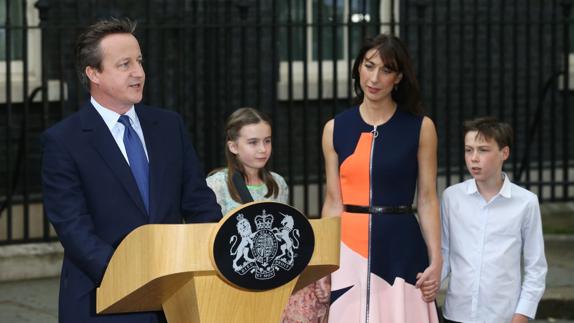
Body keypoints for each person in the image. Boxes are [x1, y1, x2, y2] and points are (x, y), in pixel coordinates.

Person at [41, 18, 221, 322]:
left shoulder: (168, 126)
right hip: (102, 300)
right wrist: (131, 278)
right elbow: (74, 229)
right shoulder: (63, 141)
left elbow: (199, 203)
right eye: (124, 64)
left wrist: (208, 261)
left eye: (139, 61)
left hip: (176, 299)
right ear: (93, 73)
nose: (138, 72)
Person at [321, 34, 441, 322]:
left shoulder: (421, 128)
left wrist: (437, 260)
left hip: (401, 248)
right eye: (369, 65)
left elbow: (426, 198)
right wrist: (323, 264)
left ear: (398, 77)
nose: (374, 78)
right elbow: (333, 201)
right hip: (348, 250)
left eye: (386, 70)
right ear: (358, 68)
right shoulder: (334, 128)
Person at [206, 107, 330, 323]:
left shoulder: (278, 184)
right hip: (231, 285)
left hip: (271, 285)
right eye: (253, 142)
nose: (262, 149)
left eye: (267, 141)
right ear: (233, 146)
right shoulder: (216, 184)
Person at [440, 117, 547, 323]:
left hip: (502, 316)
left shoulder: (526, 202)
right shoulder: (451, 197)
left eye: (483, 150)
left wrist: (522, 314)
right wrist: (429, 282)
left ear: (504, 153)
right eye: (468, 150)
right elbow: (444, 254)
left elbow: (536, 267)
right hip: (457, 313)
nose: (474, 158)